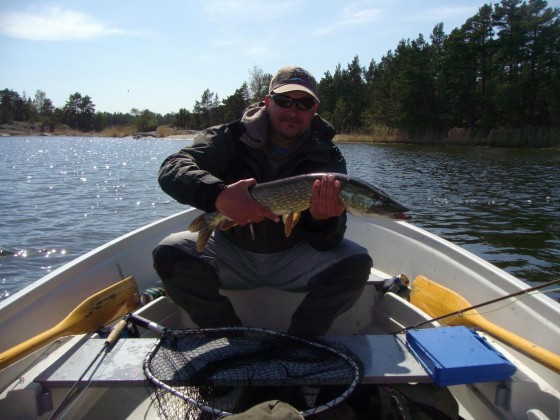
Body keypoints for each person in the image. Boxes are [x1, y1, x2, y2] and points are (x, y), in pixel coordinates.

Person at [153, 65, 373, 336]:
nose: (293, 111)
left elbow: (328, 243)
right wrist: (218, 194)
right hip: (231, 252)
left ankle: (300, 343)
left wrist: (322, 220)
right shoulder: (228, 137)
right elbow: (172, 167)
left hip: (294, 257)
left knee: (356, 263)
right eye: (284, 101)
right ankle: (227, 334)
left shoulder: (327, 157)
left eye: (304, 103)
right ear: (268, 102)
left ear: (314, 110)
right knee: (170, 253)